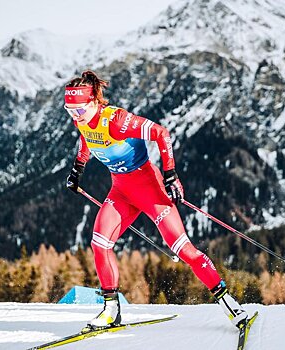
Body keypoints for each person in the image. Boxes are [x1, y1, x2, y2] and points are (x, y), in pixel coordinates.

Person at [64, 70, 248, 329]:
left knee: (184, 250)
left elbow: (162, 133)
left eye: (79, 110)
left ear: (94, 100)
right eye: (69, 111)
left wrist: (171, 174)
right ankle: (111, 311)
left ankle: (230, 304)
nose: (75, 116)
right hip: (120, 191)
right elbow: (86, 138)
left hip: (150, 189)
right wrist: (77, 169)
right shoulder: (82, 119)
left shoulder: (117, 120)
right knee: (99, 244)